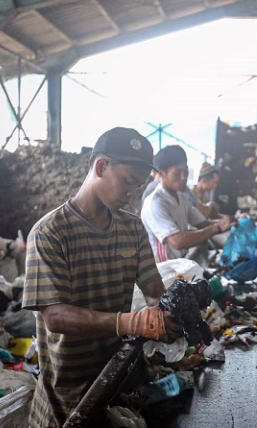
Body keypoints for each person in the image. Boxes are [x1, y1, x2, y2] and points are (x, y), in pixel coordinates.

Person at [22, 127, 182, 428]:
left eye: (138, 186)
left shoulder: (132, 229)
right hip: (69, 394)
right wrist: (130, 323)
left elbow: (153, 290)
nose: (132, 193)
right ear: (101, 167)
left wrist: (172, 310)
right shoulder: (50, 233)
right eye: (128, 183)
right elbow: (55, 317)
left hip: (118, 374)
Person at [140, 145, 234, 266]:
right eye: (177, 173)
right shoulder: (155, 203)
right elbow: (177, 241)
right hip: (162, 270)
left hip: (180, 264)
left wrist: (228, 222)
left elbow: (203, 224)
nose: (183, 177)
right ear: (162, 174)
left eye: (185, 171)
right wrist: (217, 227)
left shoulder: (182, 197)